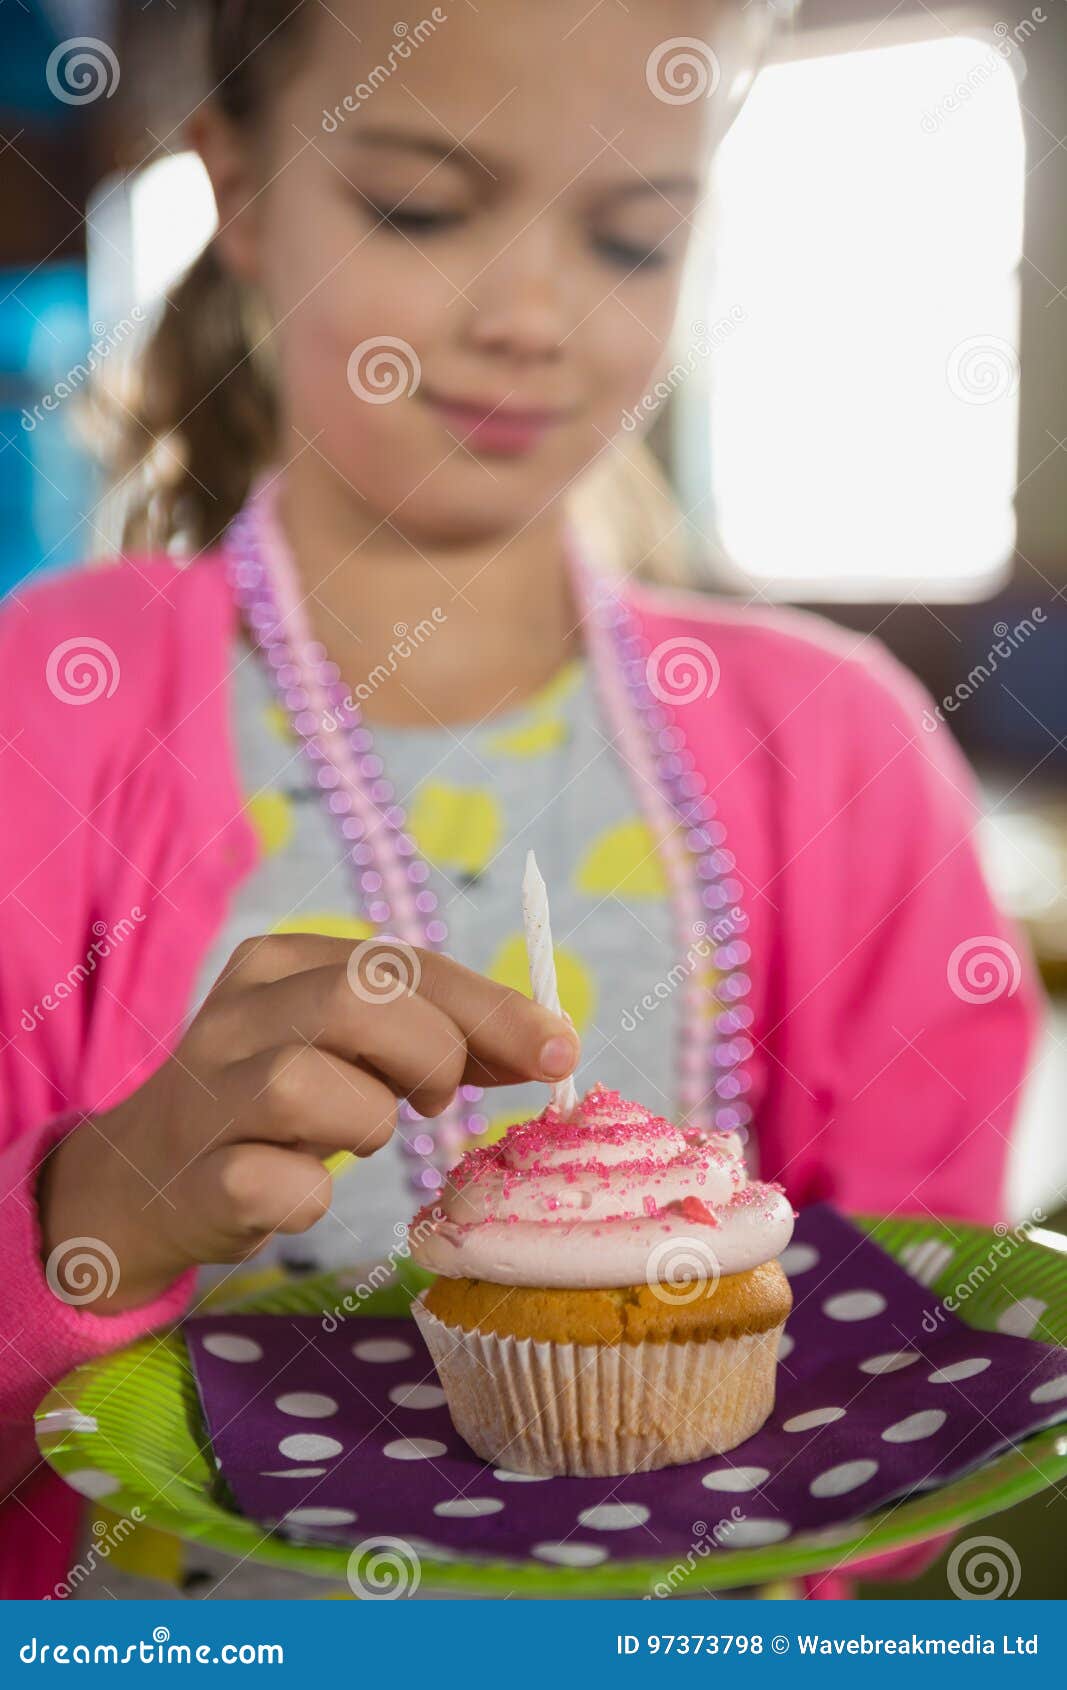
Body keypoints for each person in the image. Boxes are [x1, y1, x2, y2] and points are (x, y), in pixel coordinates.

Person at [0, 0, 1039, 1599]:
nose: (536, 314)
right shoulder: (41, 712)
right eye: (421, 207)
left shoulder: (844, 750)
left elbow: (896, 1400)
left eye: (631, 238)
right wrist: (96, 1209)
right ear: (241, 192)